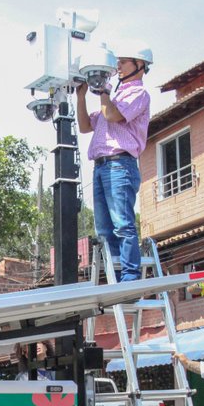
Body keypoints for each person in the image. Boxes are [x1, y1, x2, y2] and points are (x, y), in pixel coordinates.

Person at [76, 44, 153, 282]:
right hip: (101, 166)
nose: (117, 66)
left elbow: (112, 115)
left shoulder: (138, 94)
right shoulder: (114, 96)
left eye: (123, 61)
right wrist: (81, 96)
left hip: (120, 164)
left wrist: (102, 91)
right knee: (104, 230)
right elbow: (85, 126)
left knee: (122, 225)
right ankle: (117, 277)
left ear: (139, 66)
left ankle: (129, 276)